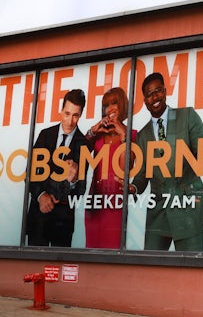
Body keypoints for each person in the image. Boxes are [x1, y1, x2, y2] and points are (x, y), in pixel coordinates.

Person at [130, 72, 203, 251]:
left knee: (190, 272)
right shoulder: (142, 135)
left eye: (158, 91)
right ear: (144, 100)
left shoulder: (187, 116)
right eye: (149, 94)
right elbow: (142, 173)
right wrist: (133, 187)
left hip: (187, 207)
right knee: (151, 272)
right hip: (158, 212)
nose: (154, 97)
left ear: (165, 91)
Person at [26, 89, 88, 247]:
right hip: (38, 218)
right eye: (67, 113)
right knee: (34, 268)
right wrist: (41, 196)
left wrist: (74, 180)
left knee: (59, 269)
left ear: (81, 114)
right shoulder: (45, 135)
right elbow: (30, 173)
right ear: (61, 110)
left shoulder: (84, 144)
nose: (70, 121)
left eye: (75, 115)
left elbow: (80, 190)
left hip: (63, 222)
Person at [83, 87, 137, 249]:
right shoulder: (98, 135)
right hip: (95, 203)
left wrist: (123, 135)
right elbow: (78, 153)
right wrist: (93, 130)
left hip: (116, 204)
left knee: (112, 252)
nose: (110, 108)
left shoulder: (133, 134)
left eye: (115, 103)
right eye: (106, 105)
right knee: (90, 253)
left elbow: (129, 165)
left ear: (123, 106)